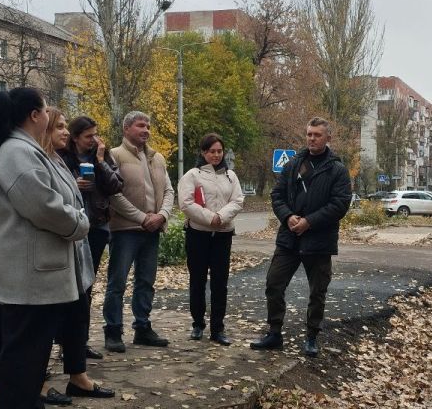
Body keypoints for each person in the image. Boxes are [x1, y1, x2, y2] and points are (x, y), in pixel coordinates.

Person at [0, 87, 89, 409]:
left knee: (31, 356)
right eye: (46, 110)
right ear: (34, 115)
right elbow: (44, 207)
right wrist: (79, 223)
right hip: (30, 276)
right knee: (24, 357)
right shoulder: (18, 152)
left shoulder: (25, 150)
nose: (49, 115)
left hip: (36, 274)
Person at [250, 117, 351, 357]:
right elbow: (277, 195)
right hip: (290, 238)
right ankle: (274, 333)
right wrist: (288, 217)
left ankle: (312, 337)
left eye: (317, 135)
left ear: (328, 138)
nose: (312, 139)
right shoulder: (294, 164)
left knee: (317, 292)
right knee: (274, 284)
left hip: (319, 241)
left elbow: (340, 204)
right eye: (309, 134)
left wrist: (309, 221)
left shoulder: (337, 170)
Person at [37, 108, 115, 405]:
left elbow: (112, 186)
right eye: (58, 127)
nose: (65, 132)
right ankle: (38, 382)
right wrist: (81, 224)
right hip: (54, 250)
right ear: (42, 128)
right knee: (45, 320)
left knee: (77, 311)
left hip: (75, 249)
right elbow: (49, 206)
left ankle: (77, 377)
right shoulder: (38, 160)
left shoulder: (56, 159)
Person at [102, 111, 174, 352]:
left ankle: (142, 328)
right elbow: (113, 194)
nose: (146, 130)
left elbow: (169, 191)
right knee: (117, 283)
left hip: (152, 230)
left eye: (148, 126)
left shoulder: (157, 157)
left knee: (146, 282)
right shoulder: (115, 155)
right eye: (141, 126)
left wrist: (162, 215)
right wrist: (142, 218)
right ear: (126, 129)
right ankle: (113, 331)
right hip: (125, 230)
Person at [57, 116, 124, 360]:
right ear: (75, 138)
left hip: (95, 226)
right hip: (70, 228)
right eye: (88, 136)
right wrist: (73, 185)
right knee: (68, 288)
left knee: (87, 285)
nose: (94, 139)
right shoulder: (62, 157)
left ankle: (80, 343)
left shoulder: (102, 156)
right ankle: (65, 344)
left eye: (96, 134)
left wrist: (100, 161)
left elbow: (116, 186)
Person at [177, 133, 244, 346]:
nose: (216, 155)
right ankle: (198, 324)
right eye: (212, 151)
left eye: (219, 151)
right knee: (197, 280)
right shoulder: (192, 175)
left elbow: (238, 200)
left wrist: (220, 217)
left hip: (222, 235)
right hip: (198, 234)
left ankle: (218, 328)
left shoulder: (231, 176)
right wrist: (209, 218)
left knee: (220, 283)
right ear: (203, 152)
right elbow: (186, 203)